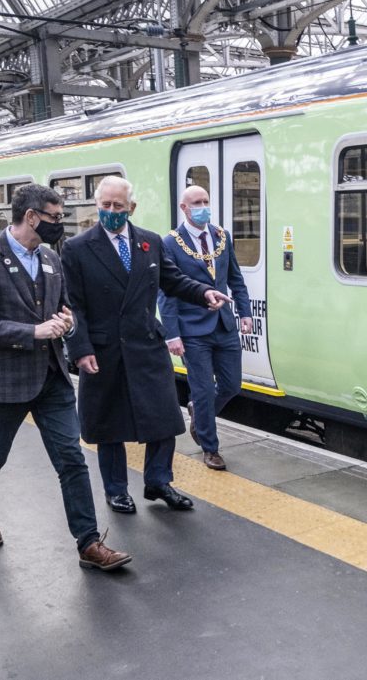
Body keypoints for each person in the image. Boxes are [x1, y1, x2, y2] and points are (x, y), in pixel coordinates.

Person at [0, 183, 130, 572]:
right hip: (5, 379)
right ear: (32, 216)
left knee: (72, 457)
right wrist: (31, 332)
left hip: (52, 377)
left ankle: (89, 542)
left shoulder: (52, 258)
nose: (60, 225)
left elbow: (63, 306)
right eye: (55, 217)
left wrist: (67, 323)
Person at [61, 176, 230, 514]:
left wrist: (202, 292)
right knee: (110, 426)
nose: (111, 211)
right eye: (105, 205)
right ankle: (116, 489)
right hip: (103, 349)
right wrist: (79, 348)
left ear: (131, 208)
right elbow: (72, 303)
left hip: (145, 344)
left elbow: (172, 280)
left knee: (165, 417)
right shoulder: (77, 248)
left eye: (118, 206)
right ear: (97, 206)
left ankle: (158, 481)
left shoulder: (150, 243)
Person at [158, 186, 253, 471]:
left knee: (231, 385)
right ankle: (210, 448)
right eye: (196, 203)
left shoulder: (222, 236)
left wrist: (245, 312)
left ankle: (199, 416)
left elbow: (235, 278)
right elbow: (167, 292)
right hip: (191, 329)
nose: (203, 207)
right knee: (202, 390)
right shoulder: (170, 243)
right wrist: (172, 334)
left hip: (224, 324)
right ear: (184, 208)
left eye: (206, 202)